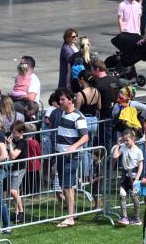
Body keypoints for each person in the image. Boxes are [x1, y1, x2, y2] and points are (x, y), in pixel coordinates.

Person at [54, 88, 89, 228]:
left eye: (63, 99)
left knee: (67, 186)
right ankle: (71, 213)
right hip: (62, 155)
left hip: (71, 156)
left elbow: (85, 136)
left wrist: (74, 147)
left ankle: (69, 217)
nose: (60, 102)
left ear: (70, 100)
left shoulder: (78, 117)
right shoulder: (63, 113)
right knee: (66, 186)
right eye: (60, 99)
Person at [112, 129, 144, 226]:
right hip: (125, 176)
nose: (125, 142)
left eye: (127, 140)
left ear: (133, 139)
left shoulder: (138, 151)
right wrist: (118, 144)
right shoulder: (123, 148)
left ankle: (137, 218)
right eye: (124, 140)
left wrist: (137, 179)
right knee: (122, 194)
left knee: (134, 196)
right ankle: (124, 217)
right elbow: (115, 156)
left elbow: (140, 165)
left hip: (134, 176)